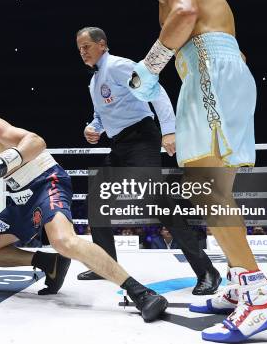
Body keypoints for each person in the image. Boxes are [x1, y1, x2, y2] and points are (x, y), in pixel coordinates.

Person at [129, 0, 267, 341]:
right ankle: (237, 283)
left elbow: (183, 11)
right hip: (220, 73)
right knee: (216, 190)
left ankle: (259, 296)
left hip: (210, 76)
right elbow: (233, 50)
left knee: (207, 188)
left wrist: (150, 67)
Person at [0, 113, 168, 322]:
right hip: (21, 198)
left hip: (47, 181)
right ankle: (50, 263)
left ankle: (141, 294)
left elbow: (37, 141)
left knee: (64, 241)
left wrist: (6, 160)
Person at [77, 26, 220, 294]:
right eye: (79, 49)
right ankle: (105, 265)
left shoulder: (119, 66)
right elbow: (101, 115)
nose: (82, 52)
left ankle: (207, 271)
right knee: (96, 198)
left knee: (159, 203)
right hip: (119, 144)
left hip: (141, 138)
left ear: (102, 45)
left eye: (86, 46)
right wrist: (92, 128)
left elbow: (156, 91)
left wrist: (169, 130)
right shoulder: (94, 82)